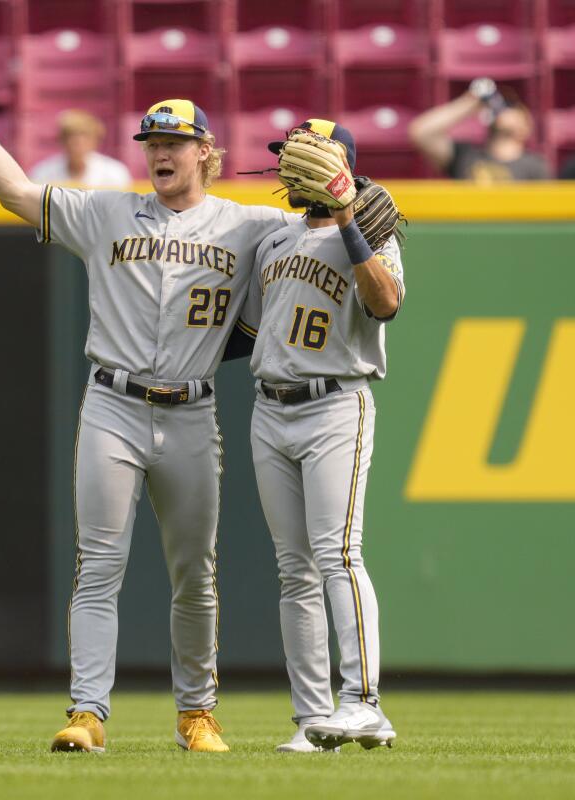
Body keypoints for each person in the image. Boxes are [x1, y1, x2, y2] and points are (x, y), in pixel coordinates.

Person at [0, 58, 293, 754]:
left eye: (175, 142)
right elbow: (13, 190)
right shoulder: (107, 210)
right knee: (98, 566)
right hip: (114, 407)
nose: (160, 152)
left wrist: (345, 197)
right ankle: (88, 713)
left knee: (195, 572)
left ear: (206, 152)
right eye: (152, 142)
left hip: (191, 412)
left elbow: (313, 240)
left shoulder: (248, 225)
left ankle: (197, 713)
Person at [245, 120, 402, 753]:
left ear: (340, 164)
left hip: (336, 402)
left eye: (307, 157)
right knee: (294, 571)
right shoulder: (272, 236)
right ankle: (314, 719)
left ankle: (364, 703)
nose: (292, 166)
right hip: (270, 407)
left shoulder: (373, 227)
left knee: (339, 553)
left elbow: (386, 303)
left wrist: (347, 218)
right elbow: (253, 330)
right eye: (287, 156)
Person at [408, 78, 549, 182]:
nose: (502, 108)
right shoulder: (466, 155)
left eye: (510, 106)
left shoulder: (535, 166)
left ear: (525, 128)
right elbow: (421, 133)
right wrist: (471, 101)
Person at [29, 109, 132, 188]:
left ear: (96, 140)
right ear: (61, 140)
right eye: (70, 136)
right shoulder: (42, 172)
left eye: (85, 136)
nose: (77, 142)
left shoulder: (115, 172)